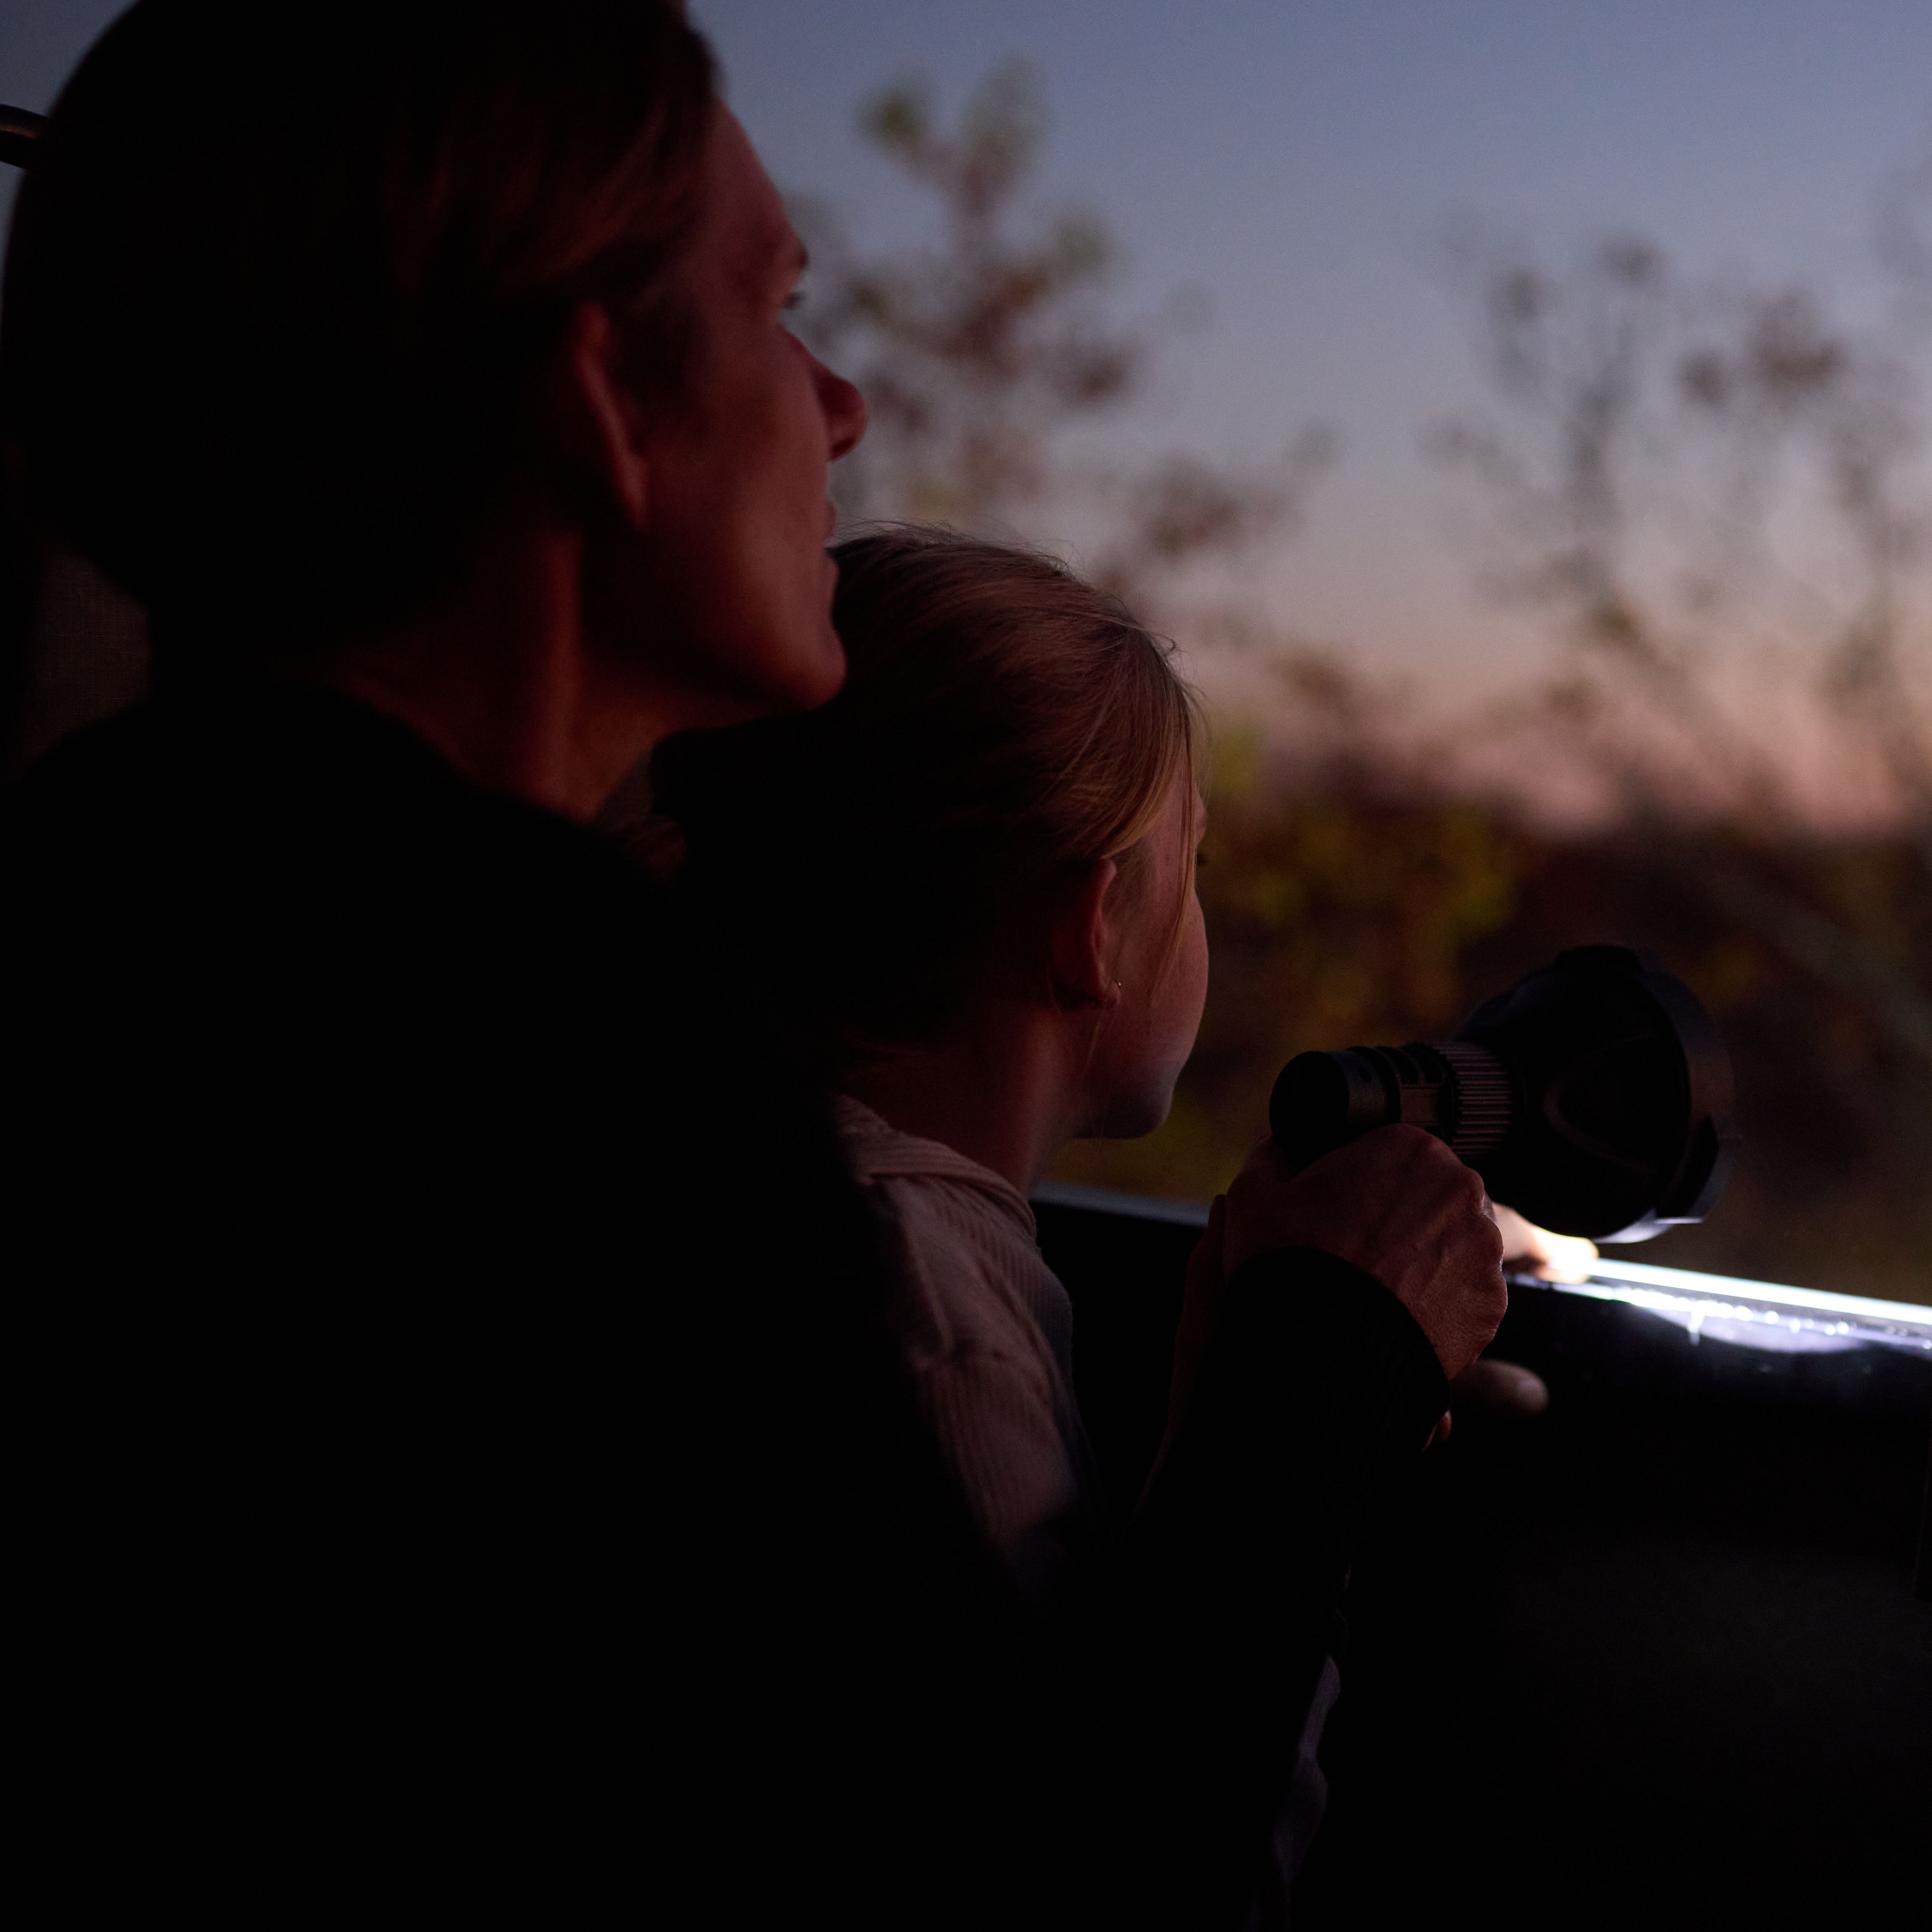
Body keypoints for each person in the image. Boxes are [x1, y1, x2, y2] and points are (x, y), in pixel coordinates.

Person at [0, 0, 1503, 1917]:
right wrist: (1324, 1368)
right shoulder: (545, 1037)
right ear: (608, 404)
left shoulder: (40, 914)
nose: (842, 410)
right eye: (774, 307)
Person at [652, 528, 1566, 1914]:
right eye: (1189, 867)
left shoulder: (775, 1200)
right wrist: (1331, 1358)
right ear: (1091, 926)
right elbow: (1121, 1863)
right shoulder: (924, 1319)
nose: (1199, 910)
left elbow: (1080, 1700)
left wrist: (1225, 1402)